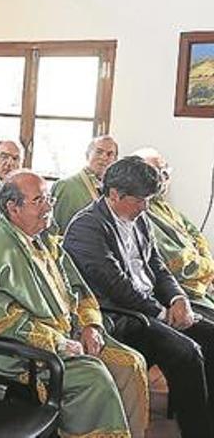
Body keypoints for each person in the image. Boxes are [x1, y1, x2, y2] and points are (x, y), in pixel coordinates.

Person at [0, 169, 147, 437]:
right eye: (39, 201)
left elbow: (79, 290)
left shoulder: (46, 241)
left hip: (71, 335)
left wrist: (91, 325)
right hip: (23, 354)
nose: (49, 207)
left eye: (50, 199)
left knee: (131, 364)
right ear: (13, 207)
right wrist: (58, 343)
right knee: (96, 379)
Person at [63, 156, 214, 437]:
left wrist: (178, 299)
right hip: (119, 316)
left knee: (210, 334)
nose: (145, 207)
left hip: (148, 306)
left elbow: (157, 265)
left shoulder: (140, 218)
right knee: (188, 353)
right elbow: (116, 286)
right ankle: (197, 431)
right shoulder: (86, 227)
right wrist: (162, 314)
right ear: (115, 194)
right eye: (140, 200)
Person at [135, 147, 214, 319]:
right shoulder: (141, 212)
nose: (165, 178)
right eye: (158, 172)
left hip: (203, 280)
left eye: (165, 170)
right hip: (182, 290)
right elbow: (177, 262)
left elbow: (196, 236)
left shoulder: (164, 206)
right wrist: (210, 268)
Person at [51, 135, 118, 233]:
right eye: (99, 152)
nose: (104, 157)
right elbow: (55, 230)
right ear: (87, 155)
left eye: (110, 154)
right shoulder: (65, 186)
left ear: (115, 160)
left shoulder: (114, 191)